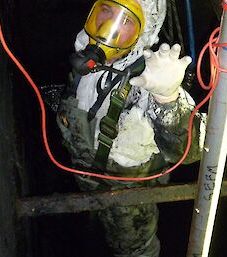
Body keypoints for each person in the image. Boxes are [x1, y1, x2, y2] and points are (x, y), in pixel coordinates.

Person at [56, 0, 204, 256]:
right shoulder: (84, 51)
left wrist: (166, 98)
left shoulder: (146, 80)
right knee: (93, 225)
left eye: (126, 21)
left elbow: (189, 151)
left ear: (143, 31)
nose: (107, 26)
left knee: (134, 249)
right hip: (85, 172)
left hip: (127, 196)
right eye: (106, 10)